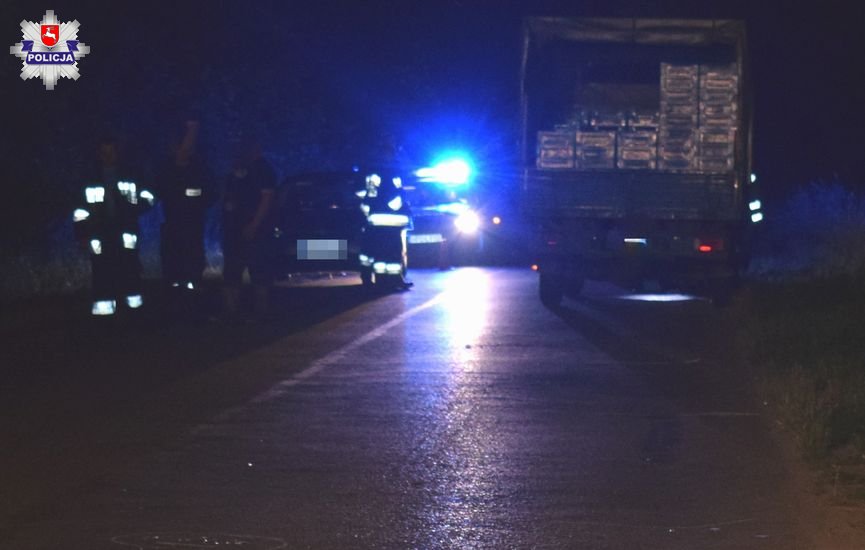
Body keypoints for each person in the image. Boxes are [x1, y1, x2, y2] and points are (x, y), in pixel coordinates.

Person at [73, 136, 155, 316]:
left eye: (111, 151)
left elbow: (149, 198)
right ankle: (105, 315)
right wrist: (82, 235)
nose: (107, 156)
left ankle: (134, 313)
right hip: (99, 235)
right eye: (104, 152)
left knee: (129, 270)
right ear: (98, 154)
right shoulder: (90, 178)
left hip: (126, 233)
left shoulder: (131, 175)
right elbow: (79, 211)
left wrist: (133, 208)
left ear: (117, 152)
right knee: (102, 272)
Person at [155, 120, 212, 301]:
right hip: (172, 227)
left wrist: (197, 200)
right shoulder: (165, 170)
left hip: (193, 227)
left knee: (193, 270)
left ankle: (194, 303)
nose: (186, 148)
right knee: (173, 270)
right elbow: (157, 192)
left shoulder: (199, 169)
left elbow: (211, 193)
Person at [221, 135, 277, 319]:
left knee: (259, 272)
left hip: (257, 231)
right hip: (234, 230)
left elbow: (266, 200)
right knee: (232, 272)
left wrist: (254, 225)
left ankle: (262, 312)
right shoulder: (235, 170)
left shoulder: (263, 170)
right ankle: (231, 311)